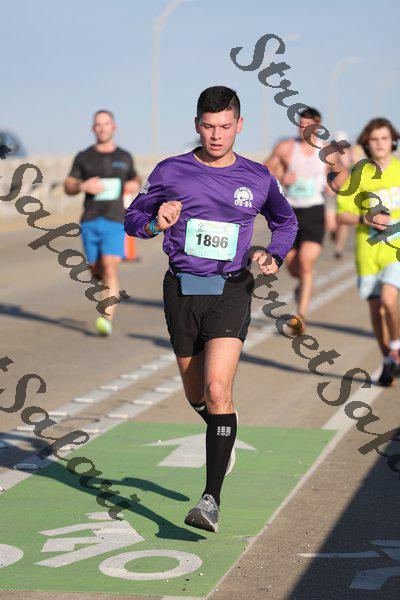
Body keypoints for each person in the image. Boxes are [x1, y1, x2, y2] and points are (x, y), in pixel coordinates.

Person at [125, 86, 297, 532]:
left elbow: (285, 221)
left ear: (240, 125)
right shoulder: (170, 171)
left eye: (225, 126)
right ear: (197, 125)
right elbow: (132, 218)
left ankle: (210, 500)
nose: (216, 135)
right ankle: (223, 430)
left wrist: (274, 255)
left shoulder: (258, 177)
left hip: (231, 289)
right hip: (182, 290)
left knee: (218, 389)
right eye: (208, 126)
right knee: (197, 394)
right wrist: (154, 222)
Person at [64, 110, 141, 335]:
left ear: (113, 127)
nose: (102, 128)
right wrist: (82, 186)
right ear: (93, 128)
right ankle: (100, 275)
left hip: (115, 219)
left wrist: (135, 184)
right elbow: (68, 185)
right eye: (98, 124)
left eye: (106, 123)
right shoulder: (84, 157)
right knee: (97, 269)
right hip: (90, 220)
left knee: (110, 265)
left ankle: (106, 319)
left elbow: (136, 178)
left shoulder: (124, 157)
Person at [337, 117, 400, 386]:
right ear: (366, 143)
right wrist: (364, 219)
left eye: (385, 138)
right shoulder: (359, 175)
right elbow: (341, 215)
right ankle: (388, 360)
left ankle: (396, 346)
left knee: (388, 300)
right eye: (374, 139)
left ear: (393, 140)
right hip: (368, 253)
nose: (380, 144)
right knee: (376, 312)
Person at [265, 108, 330, 334]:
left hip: (314, 211)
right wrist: (282, 177)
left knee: (306, 262)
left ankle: (300, 316)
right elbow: (264, 171)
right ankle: (302, 285)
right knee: (294, 267)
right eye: (300, 125)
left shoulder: (327, 151)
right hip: (289, 212)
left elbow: (342, 175)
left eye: (308, 125)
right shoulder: (285, 148)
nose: (303, 129)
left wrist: (333, 186)